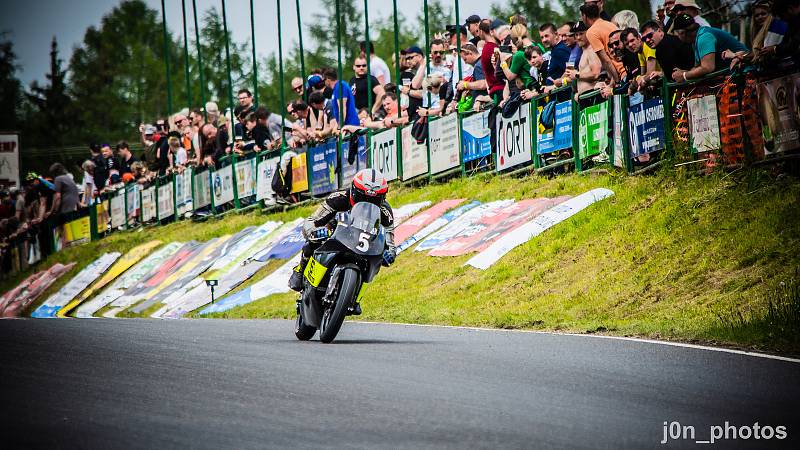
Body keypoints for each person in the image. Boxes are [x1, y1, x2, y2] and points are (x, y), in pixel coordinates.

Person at [288, 168, 396, 304]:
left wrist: (390, 253)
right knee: (313, 242)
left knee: (377, 261)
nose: (368, 202)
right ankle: (300, 269)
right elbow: (311, 221)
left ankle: (356, 297)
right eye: (363, 197)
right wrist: (314, 231)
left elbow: (390, 239)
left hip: (364, 243)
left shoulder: (385, 211)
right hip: (335, 232)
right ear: (354, 191)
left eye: (374, 200)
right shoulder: (339, 197)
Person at [670, 13, 748, 82]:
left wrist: (684, 75)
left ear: (682, 32)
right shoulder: (696, 39)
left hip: (746, 74)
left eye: (676, 34)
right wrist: (684, 72)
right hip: (736, 75)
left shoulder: (704, 37)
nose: (677, 37)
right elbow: (698, 67)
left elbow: (707, 68)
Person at [582, 2, 625, 84]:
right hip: (628, 69)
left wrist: (616, 81)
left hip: (622, 74)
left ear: (585, 16)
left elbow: (606, 60)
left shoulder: (591, 32)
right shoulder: (610, 24)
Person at [399, 46, 425, 121]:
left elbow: (425, 93)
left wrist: (408, 91)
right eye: (406, 59)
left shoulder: (427, 70)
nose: (408, 61)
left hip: (426, 113)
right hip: (416, 115)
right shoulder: (415, 73)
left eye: (410, 58)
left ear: (419, 57)